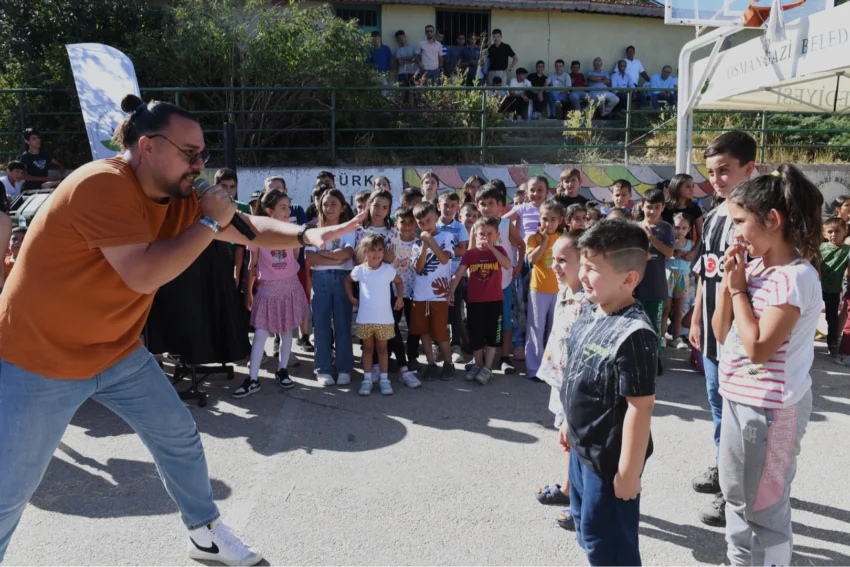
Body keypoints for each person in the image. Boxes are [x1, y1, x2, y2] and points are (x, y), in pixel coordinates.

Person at [0, 94, 363, 566]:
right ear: (148, 146)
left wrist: (304, 235)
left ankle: (204, 533)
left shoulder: (179, 193)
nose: (200, 164)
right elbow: (145, 273)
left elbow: (244, 224)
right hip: (38, 356)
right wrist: (212, 219)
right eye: (190, 153)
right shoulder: (101, 185)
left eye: (203, 154)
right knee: (12, 486)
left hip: (115, 352)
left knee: (178, 435)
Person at [711, 165, 822, 567]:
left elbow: (758, 348)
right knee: (738, 497)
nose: (734, 231)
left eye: (739, 221)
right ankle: (740, 561)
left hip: (771, 410)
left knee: (767, 505)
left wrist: (739, 290)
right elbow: (722, 331)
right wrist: (729, 283)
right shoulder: (754, 269)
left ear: (772, 220)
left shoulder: (795, 278)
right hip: (740, 400)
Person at [563, 218, 656, 566]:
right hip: (581, 450)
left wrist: (629, 473)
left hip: (609, 463)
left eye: (592, 268)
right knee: (587, 530)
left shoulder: (635, 334)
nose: (582, 275)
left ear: (629, 278)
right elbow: (577, 373)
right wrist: (568, 425)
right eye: (582, 265)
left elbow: (640, 407)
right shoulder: (591, 309)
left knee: (610, 545)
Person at [689, 130, 757, 528]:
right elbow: (705, 274)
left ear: (751, 169)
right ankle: (723, 467)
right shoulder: (714, 216)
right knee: (718, 410)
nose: (717, 178)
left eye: (725, 170)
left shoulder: (761, 222)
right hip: (715, 336)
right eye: (712, 171)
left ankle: (735, 494)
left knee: (740, 420)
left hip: (744, 340)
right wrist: (696, 318)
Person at [534, 229, 586, 533]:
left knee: (576, 442)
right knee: (567, 441)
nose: (555, 265)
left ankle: (580, 503)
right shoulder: (564, 289)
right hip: (560, 378)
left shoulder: (587, 300)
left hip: (575, 384)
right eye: (554, 258)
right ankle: (568, 488)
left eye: (563, 260)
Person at [234, 190, 309, 397]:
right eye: (283, 207)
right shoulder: (256, 233)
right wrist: (249, 291)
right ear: (269, 211)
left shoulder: (294, 232)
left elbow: (295, 259)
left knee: (287, 332)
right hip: (267, 290)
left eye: (288, 206)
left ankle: (282, 370)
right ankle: (253, 378)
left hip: (290, 286)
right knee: (260, 334)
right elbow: (252, 264)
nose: (288, 211)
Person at [448, 216, 512, 385]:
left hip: (494, 301)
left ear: (496, 235)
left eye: (490, 234)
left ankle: (487, 368)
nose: (485, 237)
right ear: (475, 234)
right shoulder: (471, 254)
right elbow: (459, 273)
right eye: (482, 234)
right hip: (475, 302)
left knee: (492, 337)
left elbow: (507, 265)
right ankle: (478, 365)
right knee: (476, 336)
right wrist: (451, 292)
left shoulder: (500, 251)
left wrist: (492, 249)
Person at [305, 188, 357, 387]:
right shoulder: (313, 230)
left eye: (334, 204)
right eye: (325, 204)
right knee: (321, 326)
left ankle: (344, 369)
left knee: (343, 325)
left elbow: (347, 253)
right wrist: (335, 255)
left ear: (343, 207)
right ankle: (323, 369)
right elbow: (310, 258)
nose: (329, 208)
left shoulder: (348, 229)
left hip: (344, 278)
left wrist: (324, 255)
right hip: (320, 279)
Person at [346, 233, 405, 396]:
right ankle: (367, 380)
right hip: (365, 319)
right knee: (367, 350)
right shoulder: (359, 270)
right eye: (372, 249)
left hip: (384, 320)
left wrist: (400, 298)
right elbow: (347, 280)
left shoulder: (387, 269)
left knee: (383, 349)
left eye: (380, 249)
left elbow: (399, 282)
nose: (377, 253)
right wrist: (351, 298)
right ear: (364, 252)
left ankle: (384, 380)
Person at [475, 185, 525, 374]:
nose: (487, 208)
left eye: (491, 203)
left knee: (504, 320)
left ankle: (505, 357)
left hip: (503, 281)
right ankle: (481, 358)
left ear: (500, 206)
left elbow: (521, 245)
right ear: (477, 206)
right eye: (483, 204)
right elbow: (472, 253)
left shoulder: (505, 225)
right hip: (482, 283)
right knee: (483, 320)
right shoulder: (476, 228)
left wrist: (518, 266)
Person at [263, 175, 312, 353]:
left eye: (279, 188)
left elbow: (304, 234)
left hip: (297, 264)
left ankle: (303, 336)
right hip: (273, 269)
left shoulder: (297, 210)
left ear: (286, 191)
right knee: (279, 306)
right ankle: (278, 339)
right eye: (270, 189)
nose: (275, 192)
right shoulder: (264, 214)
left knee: (301, 301)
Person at [504, 175, 548, 361]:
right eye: (532, 190)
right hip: (524, 260)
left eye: (540, 190)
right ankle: (519, 343)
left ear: (547, 192)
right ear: (527, 192)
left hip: (545, 262)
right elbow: (502, 222)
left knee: (540, 306)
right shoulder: (522, 208)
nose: (536, 193)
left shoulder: (550, 210)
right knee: (520, 304)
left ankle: (540, 344)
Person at [411, 201, 455, 381]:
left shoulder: (446, 237)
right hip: (420, 294)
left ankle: (448, 362)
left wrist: (431, 241)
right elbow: (418, 268)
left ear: (436, 218)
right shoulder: (416, 243)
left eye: (428, 221)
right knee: (424, 331)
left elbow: (445, 259)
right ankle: (430, 363)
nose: (425, 226)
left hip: (439, 294)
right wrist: (423, 246)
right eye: (420, 223)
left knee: (440, 332)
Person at [634, 188, 674, 374]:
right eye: (649, 207)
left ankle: (654, 359)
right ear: (642, 206)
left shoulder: (665, 228)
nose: (652, 211)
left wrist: (651, 238)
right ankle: (637, 358)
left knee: (655, 326)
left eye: (657, 207)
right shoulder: (635, 227)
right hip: (636, 287)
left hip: (657, 288)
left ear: (663, 208)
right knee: (636, 326)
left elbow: (669, 252)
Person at [525, 201, 565, 381]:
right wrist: (545, 241)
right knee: (536, 329)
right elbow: (533, 260)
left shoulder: (564, 238)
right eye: (545, 219)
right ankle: (534, 368)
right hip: (539, 289)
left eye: (553, 219)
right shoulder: (533, 238)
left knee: (555, 330)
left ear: (560, 220)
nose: (548, 223)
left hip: (559, 290)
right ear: (539, 219)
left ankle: (552, 367)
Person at [392, 206, 424, 384]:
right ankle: (395, 355)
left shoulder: (419, 242)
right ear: (396, 223)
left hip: (414, 290)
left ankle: (412, 356)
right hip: (394, 291)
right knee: (393, 325)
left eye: (410, 222)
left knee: (414, 327)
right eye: (402, 222)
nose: (406, 226)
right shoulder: (391, 241)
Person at [437, 192, 469, 363]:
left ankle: (456, 344)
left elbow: (463, 250)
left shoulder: (461, 227)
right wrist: (450, 249)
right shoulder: (434, 226)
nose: (448, 209)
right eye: (445, 205)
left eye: (452, 206)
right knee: (438, 311)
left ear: (457, 208)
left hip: (457, 274)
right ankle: (438, 344)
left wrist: (443, 250)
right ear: (438, 206)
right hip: (437, 275)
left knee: (456, 311)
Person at [662, 212, 694, 350]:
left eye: (684, 228)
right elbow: (663, 257)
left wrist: (689, 256)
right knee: (666, 309)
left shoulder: (691, 244)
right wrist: (673, 253)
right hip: (669, 276)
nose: (680, 231)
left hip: (683, 278)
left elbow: (693, 259)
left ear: (689, 229)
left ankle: (676, 337)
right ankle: (661, 336)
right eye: (677, 227)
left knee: (679, 310)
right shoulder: (668, 243)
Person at [820, 216, 849, 357]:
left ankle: (832, 344)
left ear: (845, 232)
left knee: (831, 318)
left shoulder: (847, 251)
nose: (833, 235)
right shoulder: (820, 248)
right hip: (815, 288)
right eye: (830, 231)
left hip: (833, 290)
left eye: (837, 231)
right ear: (824, 234)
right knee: (807, 315)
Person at [661, 173, 704, 242]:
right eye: (688, 186)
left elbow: (701, 236)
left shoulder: (695, 208)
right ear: (677, 188)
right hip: (665, 249)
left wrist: (692, 252)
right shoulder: (663, 208)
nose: (692, 190)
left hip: (686, 250)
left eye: (692, 186)